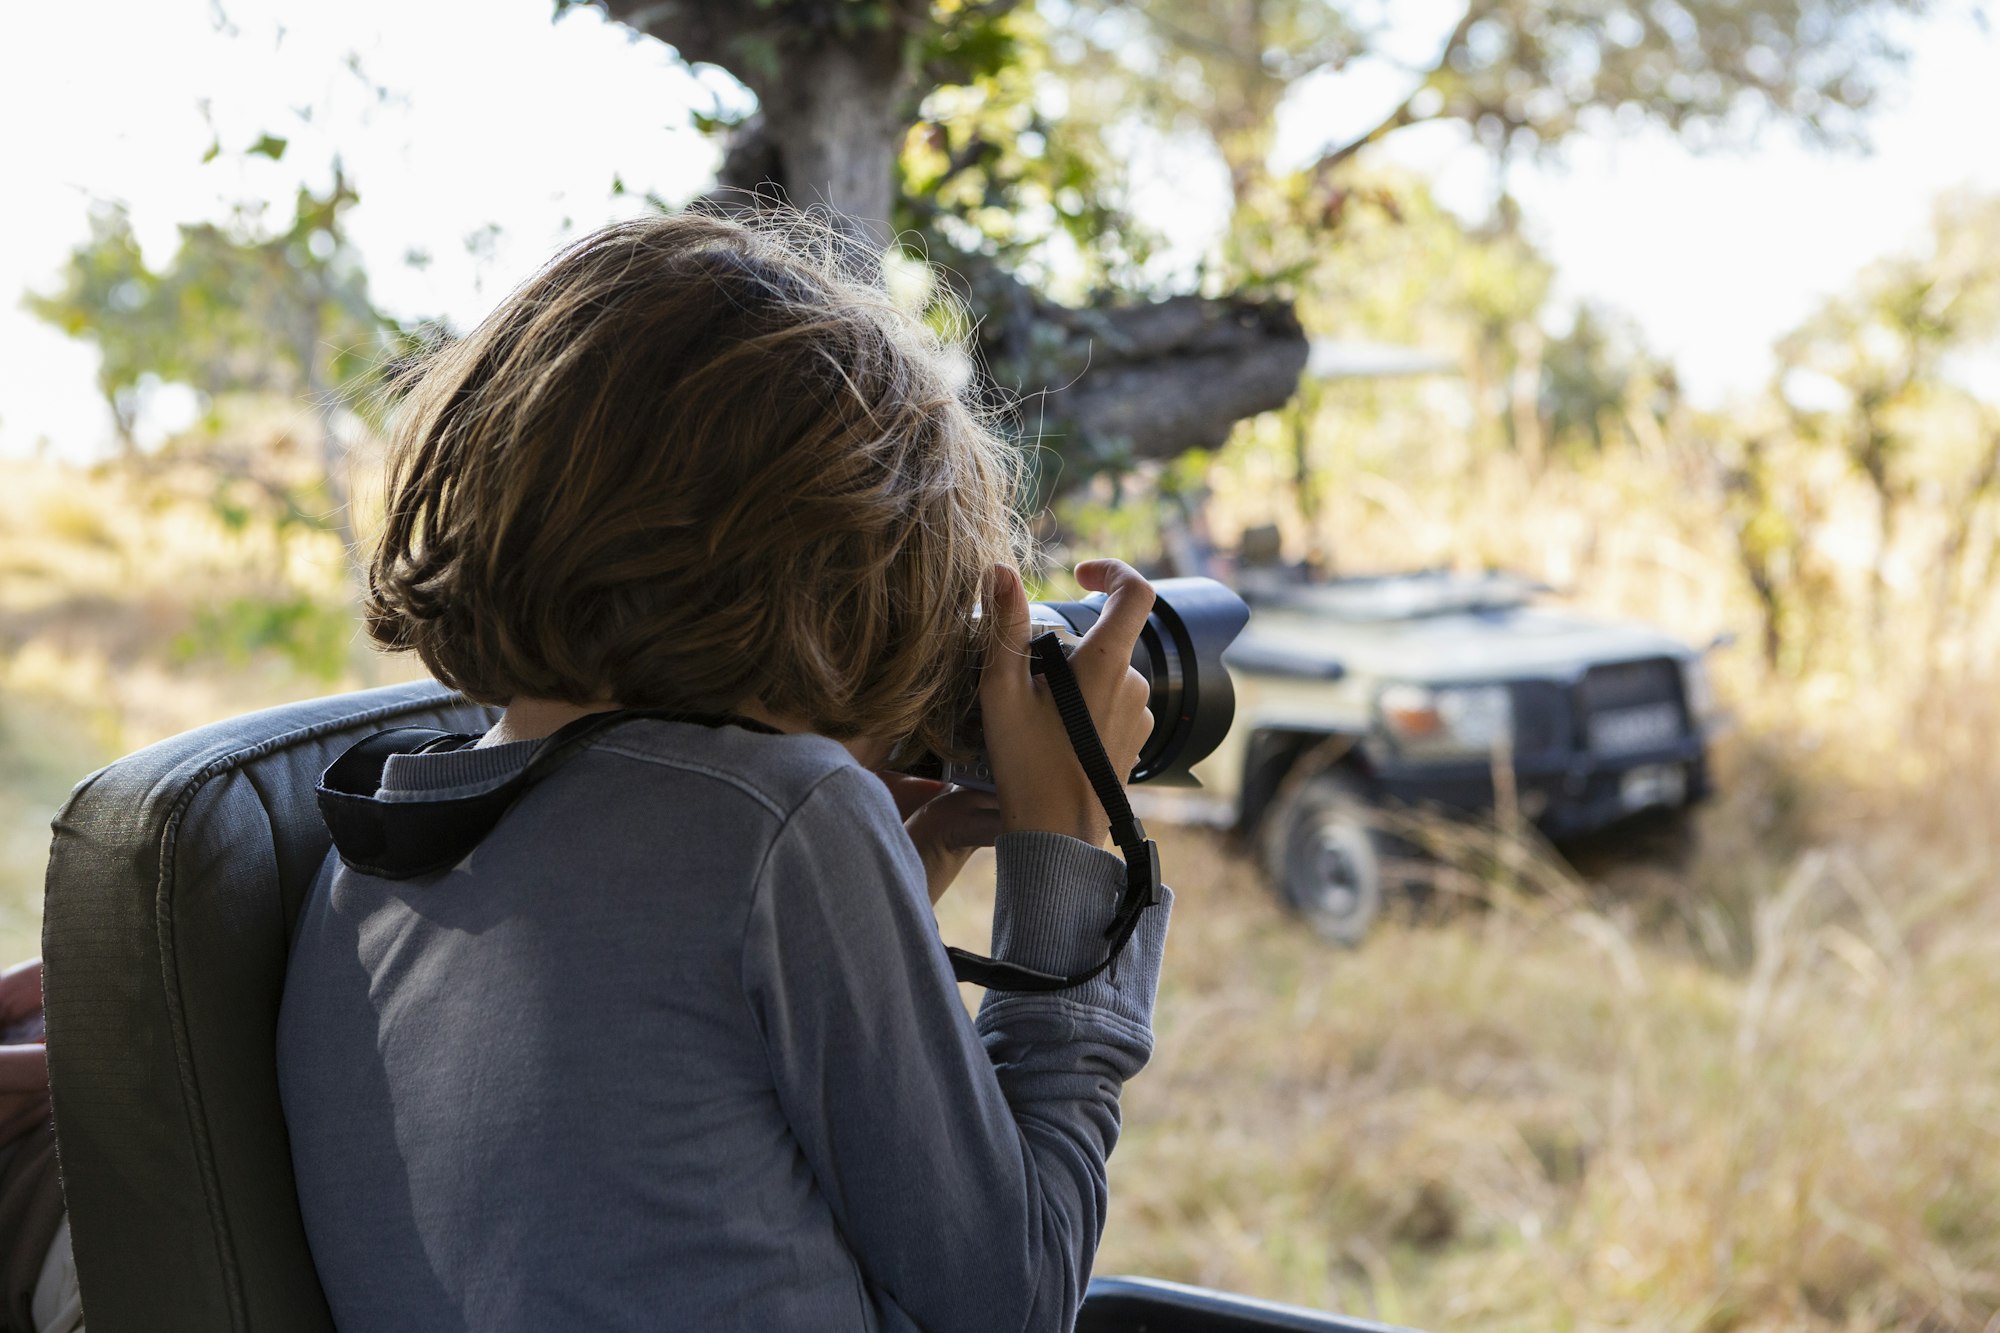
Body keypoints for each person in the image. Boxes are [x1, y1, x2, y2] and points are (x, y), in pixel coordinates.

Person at [275, 209, 1172, 1332]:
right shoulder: (777, 817)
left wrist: (880, 886)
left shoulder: (365, 855)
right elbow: (1014, 1298)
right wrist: (1064, 851)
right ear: (841, 577)